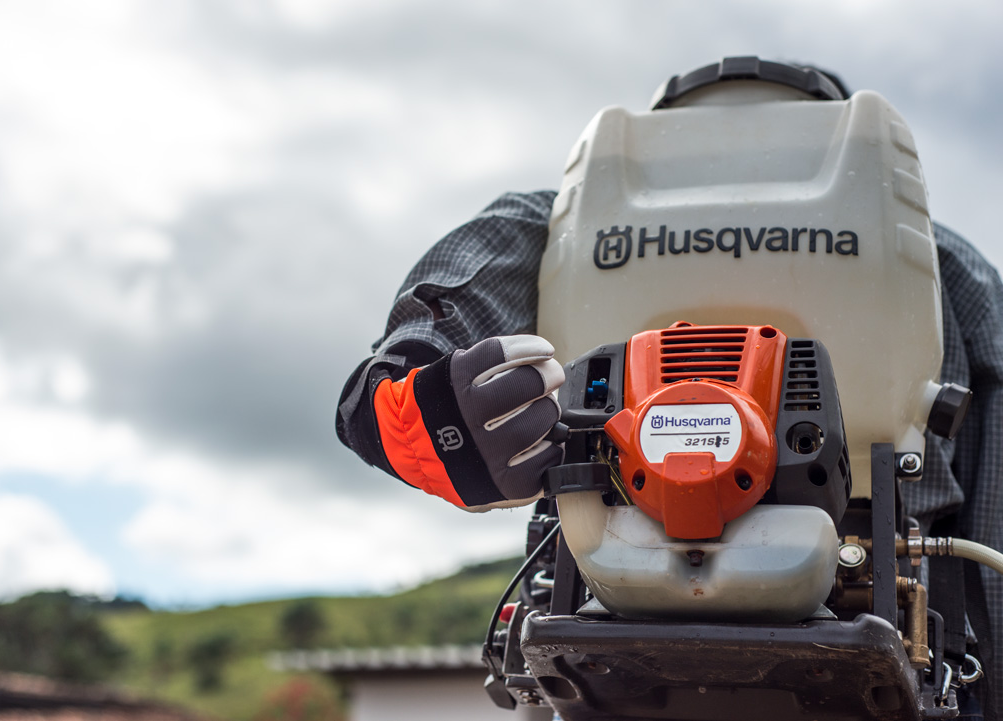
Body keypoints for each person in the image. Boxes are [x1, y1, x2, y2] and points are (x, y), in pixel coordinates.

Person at [335, 62, 1002, 720]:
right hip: (881, 617)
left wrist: (417, 409)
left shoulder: (555, 224)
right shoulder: (947, 263)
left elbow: (429, 329)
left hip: (600, 618)